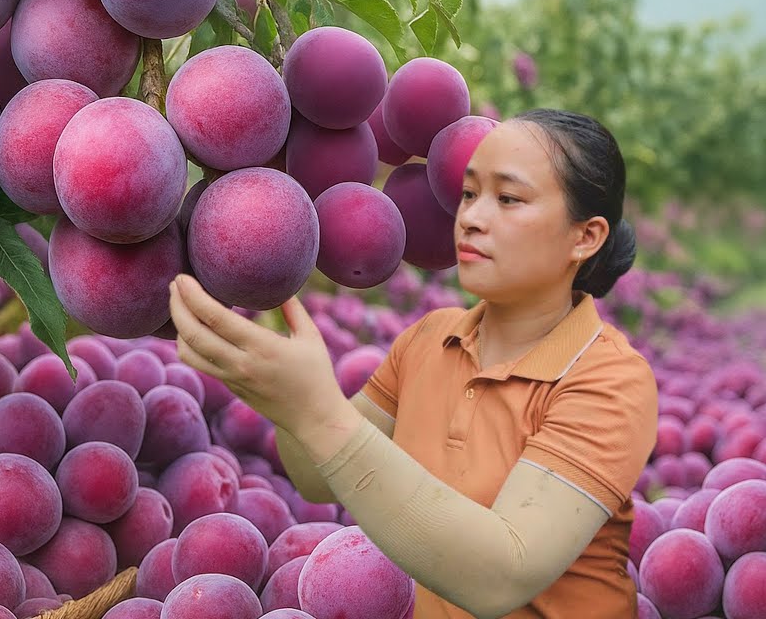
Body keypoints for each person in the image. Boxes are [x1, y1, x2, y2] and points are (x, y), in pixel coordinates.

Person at [168, 108, 659, 618]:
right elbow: (317, 478)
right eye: (470, 194)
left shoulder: (608, 380)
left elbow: (502, 575)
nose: (471, 218)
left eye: (508, 198)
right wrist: (283, 400)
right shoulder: (432, 338)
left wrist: (315, 412)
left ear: (584, 237)